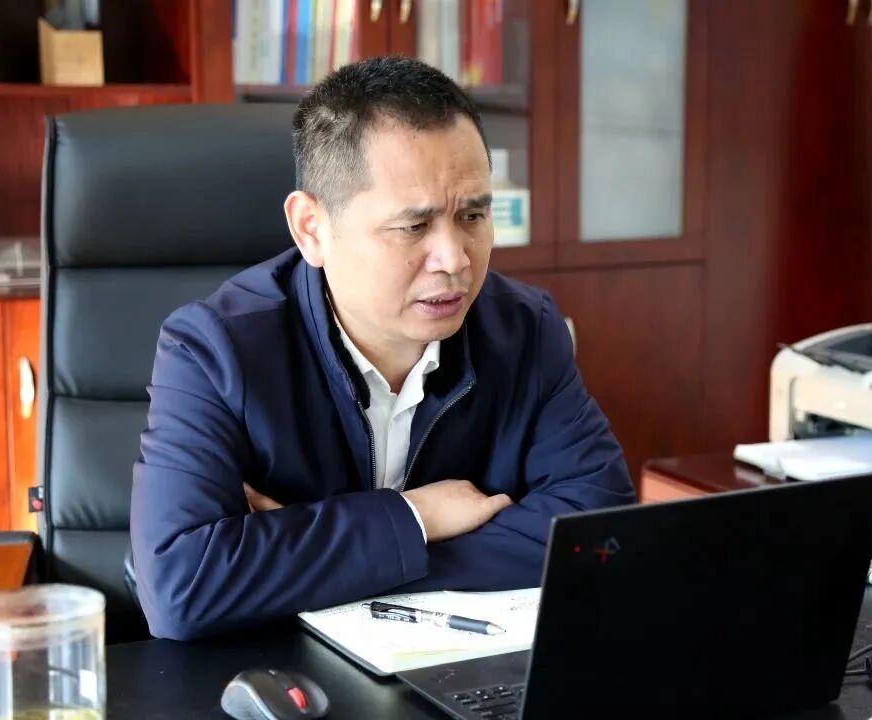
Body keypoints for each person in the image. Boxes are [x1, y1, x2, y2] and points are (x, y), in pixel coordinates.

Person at [130, 56, 634, 641]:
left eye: (473, 214)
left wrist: (320, 558)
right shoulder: (213, 349)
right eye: (413, 227)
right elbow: (181, 587)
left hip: (456, 665)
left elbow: (603, 533)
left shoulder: (525, 329)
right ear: (312, 229)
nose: (456, 259)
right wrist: (419, 516)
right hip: (275, 671)